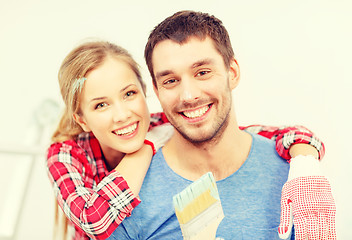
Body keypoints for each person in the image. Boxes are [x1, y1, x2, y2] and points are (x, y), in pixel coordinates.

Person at [46, 41, 327, 240]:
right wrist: (144, 150)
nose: (122, 115)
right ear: (82, 119)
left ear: (147, 92)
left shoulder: (159, 123)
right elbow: (94, 219)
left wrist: (304, 161)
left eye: (129, 94)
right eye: (100, 105)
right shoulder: (64, 154)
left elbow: (250, 132)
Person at [107, 11, 336, 240]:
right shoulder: (130, 199)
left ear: (232, 72)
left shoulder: (296, 178)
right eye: (170, 81)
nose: (188, 95)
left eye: (203, 72)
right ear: (157, 91)